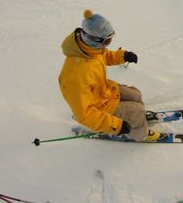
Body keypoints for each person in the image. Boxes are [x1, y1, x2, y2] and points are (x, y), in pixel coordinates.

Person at [58, 9, 159, 141]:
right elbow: (85, 114)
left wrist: (123, 56)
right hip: (98, 107)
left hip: (104, 90)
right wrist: (116, 126)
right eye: (108, 41)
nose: (108, 44)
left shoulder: (89, 48)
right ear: (96, 40)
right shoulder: (75, 76)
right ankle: (141, 134)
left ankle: (135, 121)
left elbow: (104, 55)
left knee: (136, 94)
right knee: (137, 111)